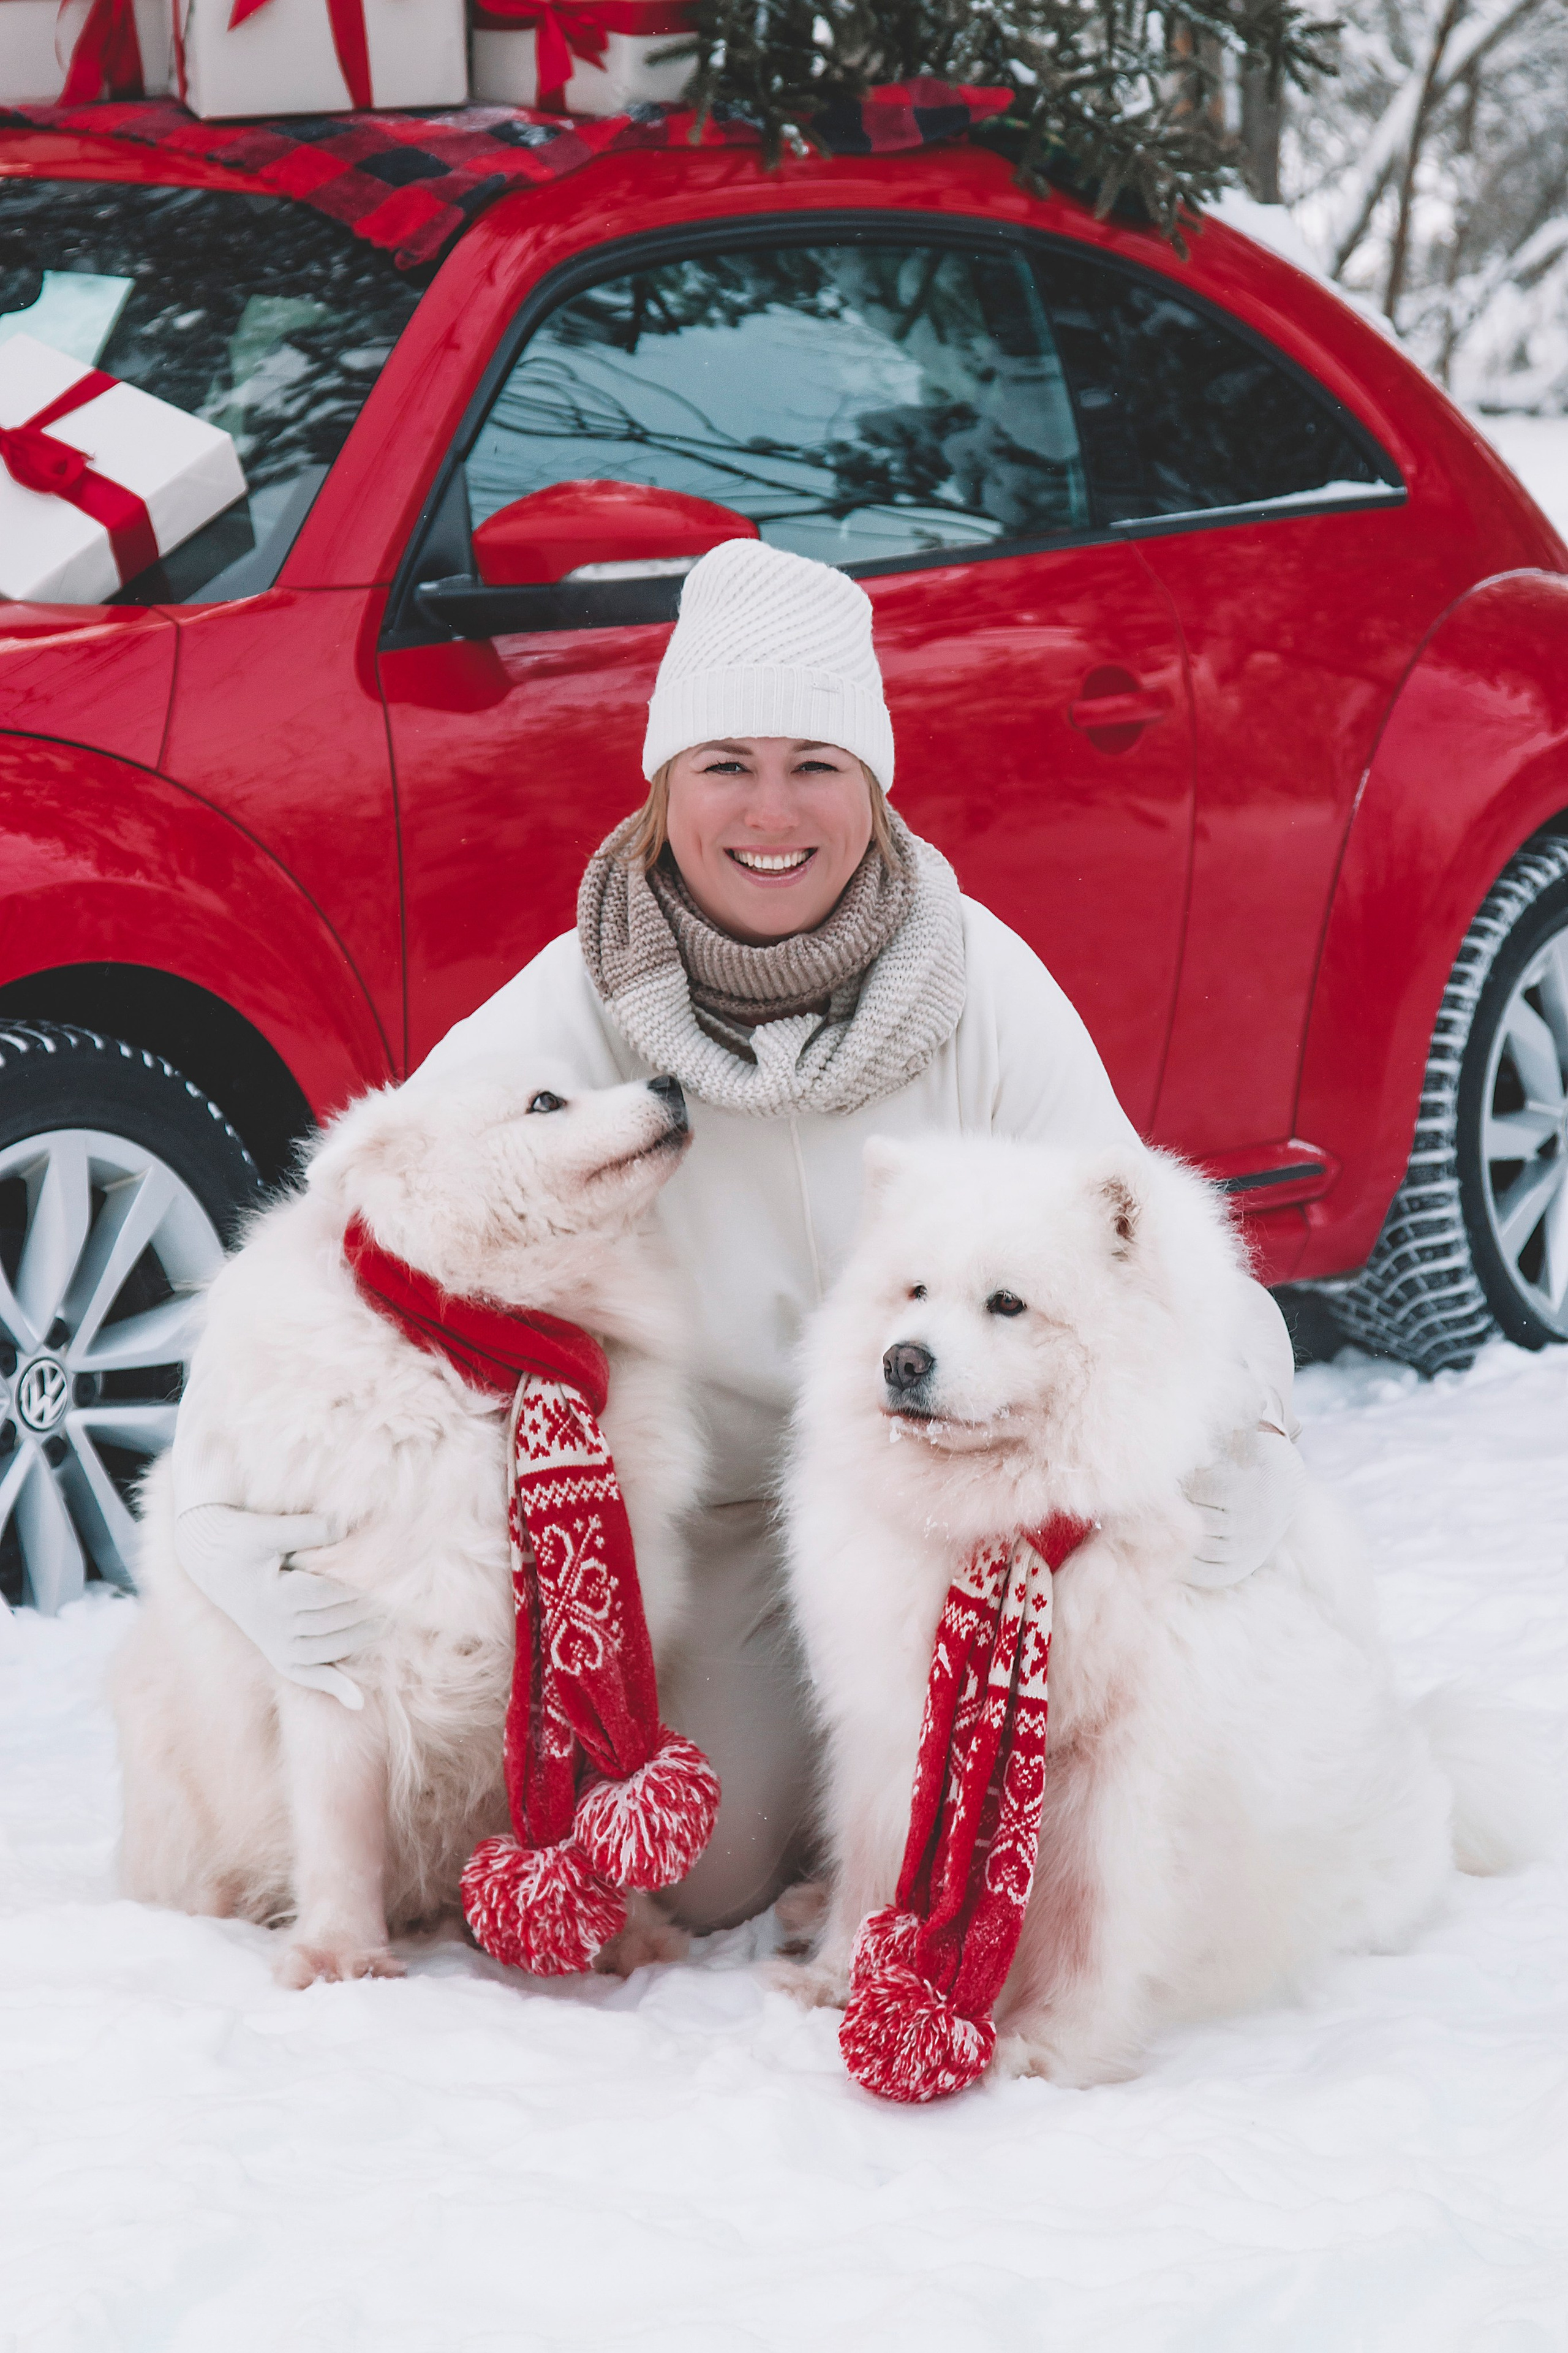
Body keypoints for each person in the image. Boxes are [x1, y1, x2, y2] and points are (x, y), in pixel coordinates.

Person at [175, 538, 1303, 1933]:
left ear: (875, 790)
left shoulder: (978, 983)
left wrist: (1250, 1419)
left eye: (816, 764)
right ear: (662, 790)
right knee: (691, 1873)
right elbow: (350, 1215)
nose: (771, 809)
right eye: (725, 763)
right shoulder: (578, 995)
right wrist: (208, 1510)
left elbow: (1155, 1245)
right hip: (703, 1517)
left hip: (931, 1505)